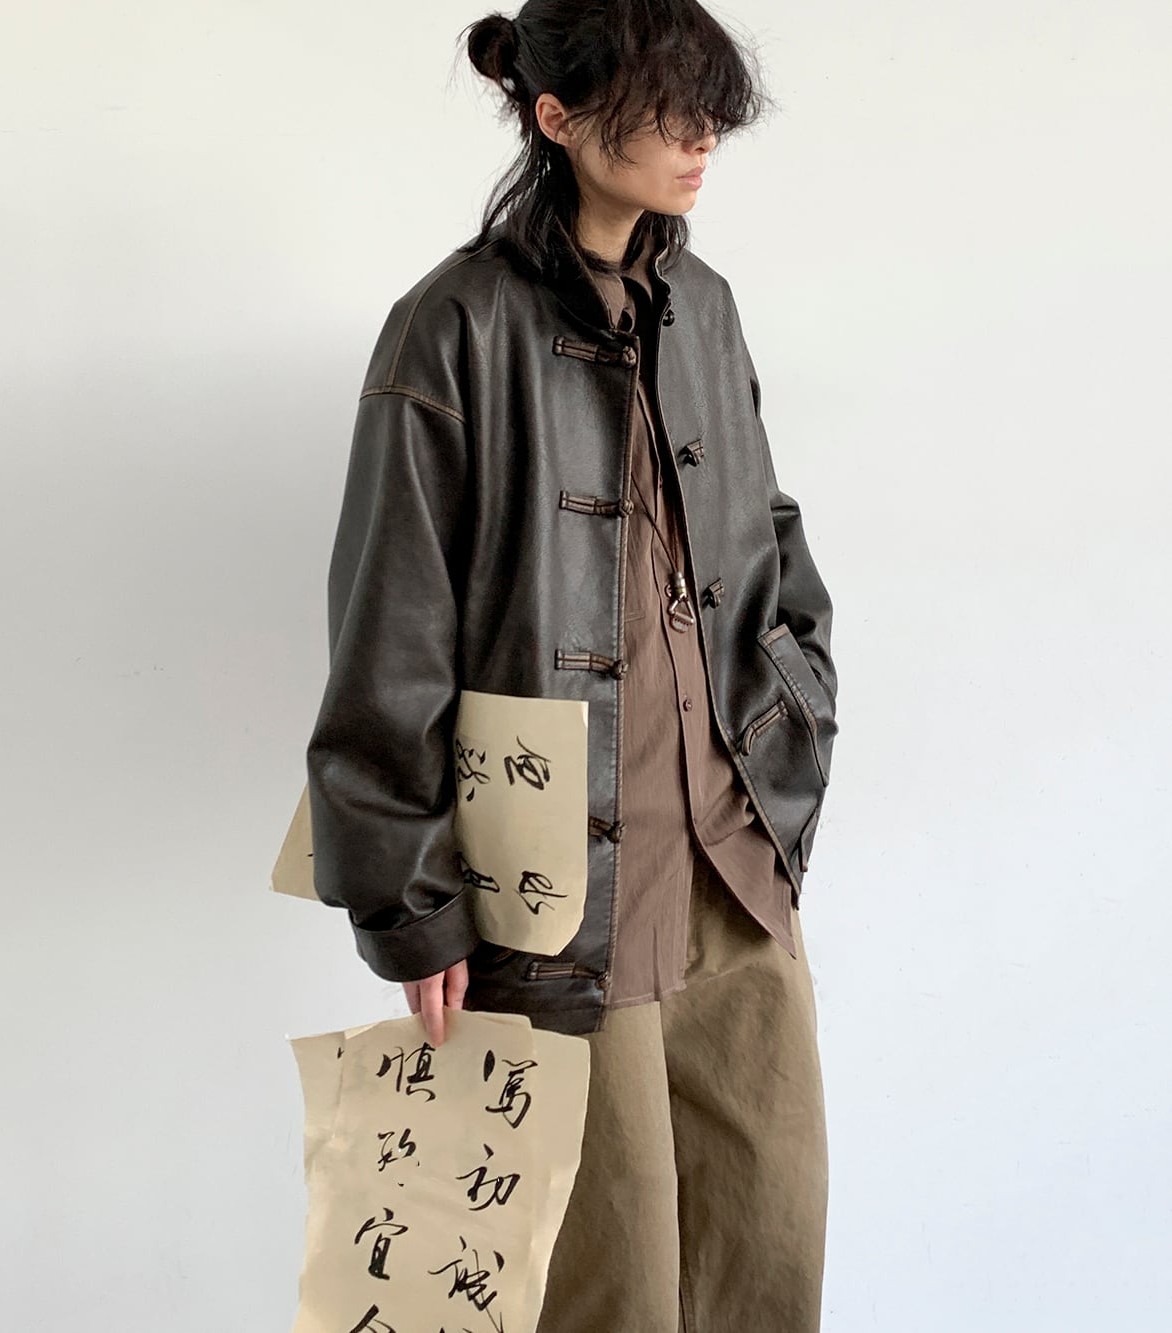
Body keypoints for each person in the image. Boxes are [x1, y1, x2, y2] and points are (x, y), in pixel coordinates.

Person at [303, 2, 839, 1327]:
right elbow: (391, 624)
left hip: (733, 857)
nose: (700, 138)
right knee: (614, 1281)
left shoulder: (702, 308)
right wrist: (409, 902)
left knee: (765, 1244)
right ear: (557, 116)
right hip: (563, 896)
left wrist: (797, 714)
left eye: (711, 109)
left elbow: (764, 533)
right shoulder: (450, 330)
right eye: (668, 108)